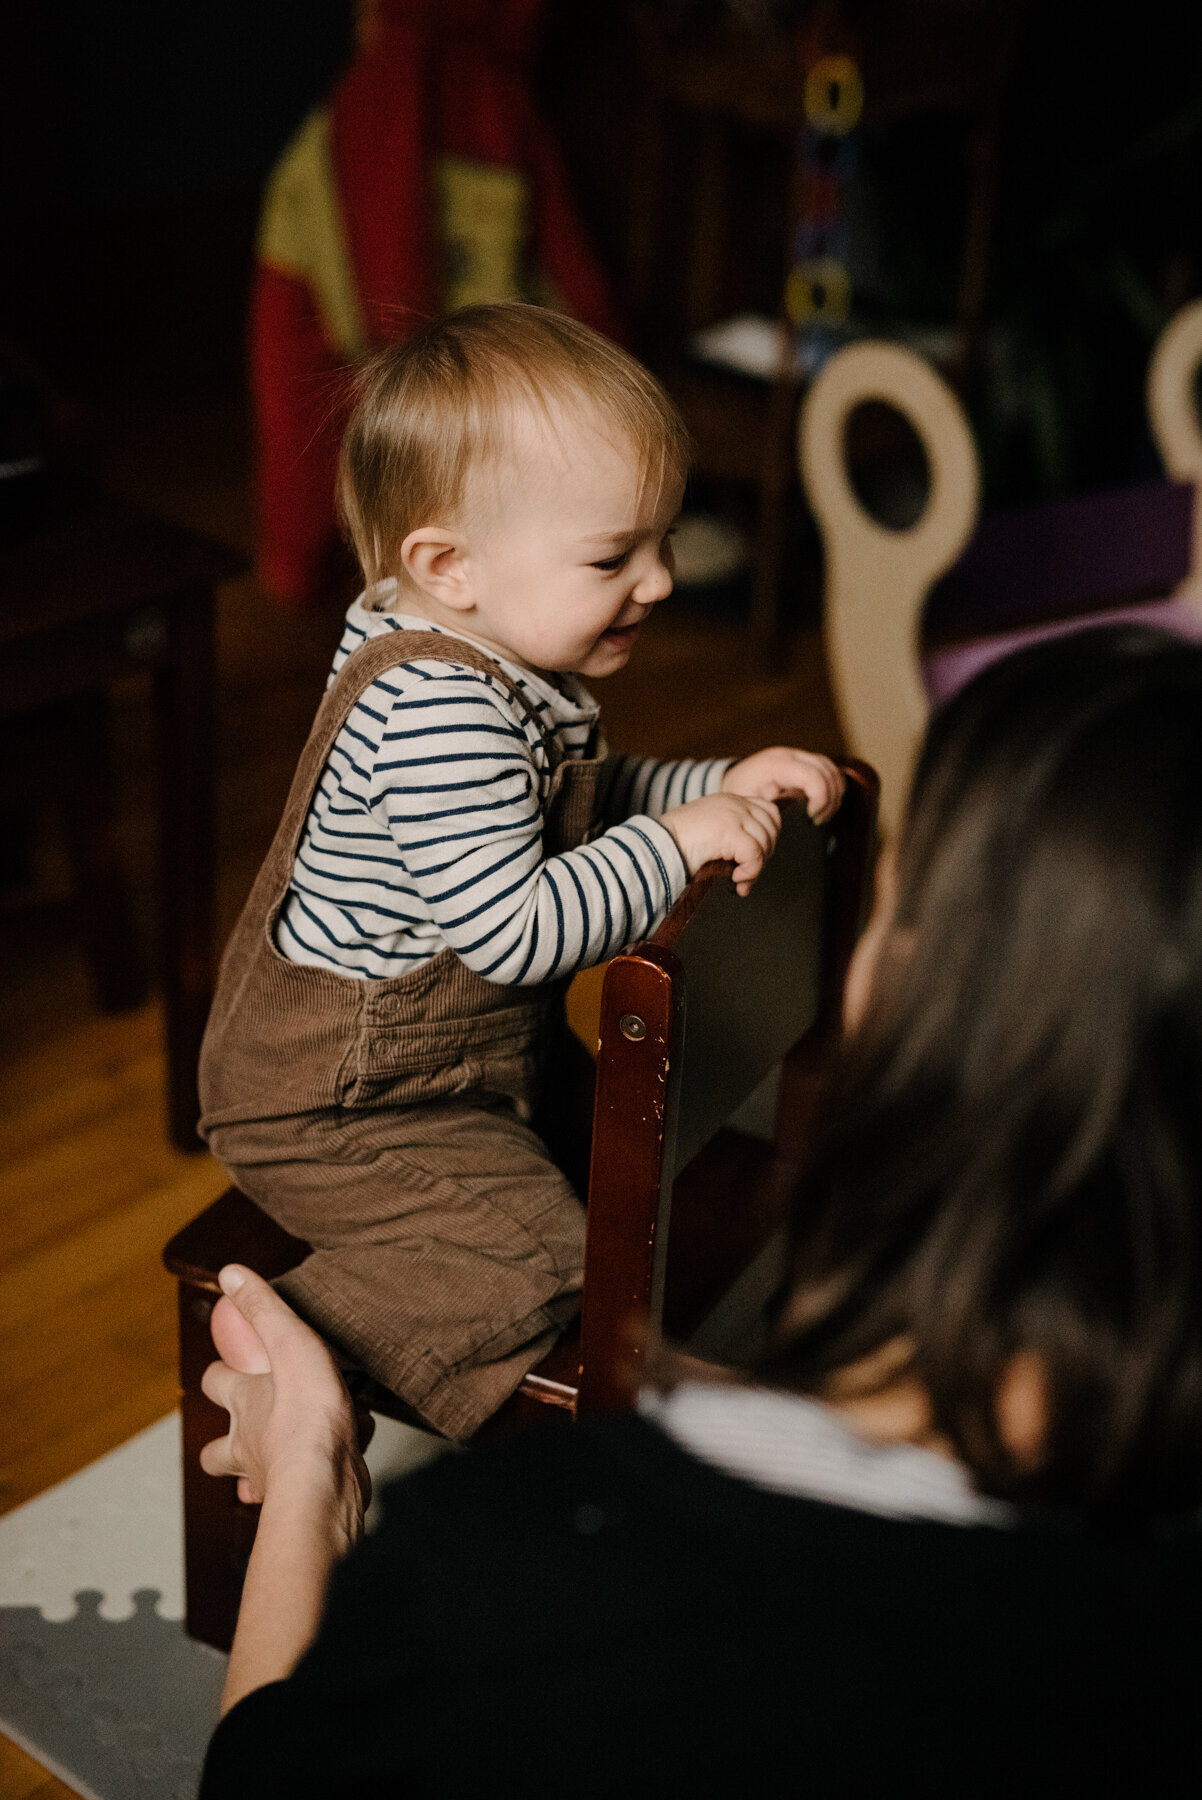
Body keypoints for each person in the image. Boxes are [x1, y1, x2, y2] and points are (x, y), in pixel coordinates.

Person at [199, 628, 1202, 1796]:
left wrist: (309, 1481)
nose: (659, 588)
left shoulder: (511, 1565)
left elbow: (258, 1779)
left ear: (906, 989)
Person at [198, 301, 842, 1440]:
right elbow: (515, 932)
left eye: (662, 542)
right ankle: (295, 1352)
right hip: (341, 1102)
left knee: (619, 1196)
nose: (656, 581)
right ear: (446, 566)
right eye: (612, 556)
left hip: (461, 1066)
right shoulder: (435, 708)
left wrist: (716, 782)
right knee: (539, 1263)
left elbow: (584, 798)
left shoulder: (490, 667)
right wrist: (679, 841)